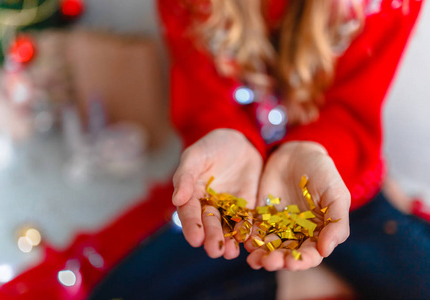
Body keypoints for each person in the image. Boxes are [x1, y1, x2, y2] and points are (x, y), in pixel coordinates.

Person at [157, 0, 429, 299]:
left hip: (339, 189)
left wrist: (316, 150)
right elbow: (202, 103)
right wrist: (227, 135)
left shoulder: (385, 5)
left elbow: (351, 113)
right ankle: (300, 282)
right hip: (225, 191)